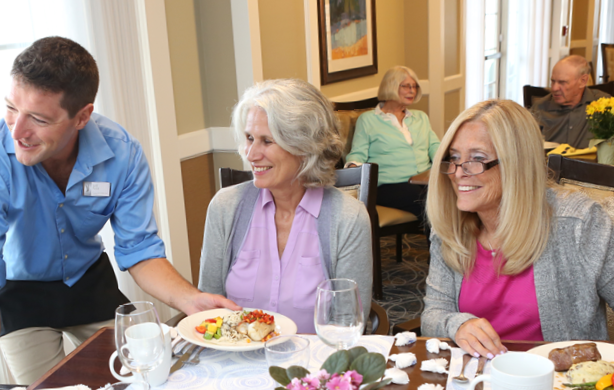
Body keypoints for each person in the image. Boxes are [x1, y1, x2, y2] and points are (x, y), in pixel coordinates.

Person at [0, 37, 234, 390]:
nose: (17, 131)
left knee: (147, 383)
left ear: (82, 116)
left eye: (38, 118)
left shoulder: (121, 153)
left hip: (88, 278)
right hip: (20, 293)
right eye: (10, 108)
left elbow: (140, 250)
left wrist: (191, 300)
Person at [422, 99, 614, 358]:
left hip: (558, 388)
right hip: (476, 385)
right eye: (454, 158)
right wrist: (458, 325)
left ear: (517, 164)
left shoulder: (579, 224)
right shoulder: (451, 227)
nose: (458, 173)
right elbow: (433, 313)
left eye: (477, 159)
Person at [198, 79, 373, 333]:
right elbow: (209, 311)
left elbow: (347, 325)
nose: (251, 154)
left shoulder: (347, 217)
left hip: (311, 368)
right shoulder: (225, 208)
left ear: (304, 147)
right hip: (237, 362)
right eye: (249, 138)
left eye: (267, 141)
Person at [346, 66, 440, 227]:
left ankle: (455, 249)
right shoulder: (368, 120)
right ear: (390, 86)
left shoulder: (421, 117)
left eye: (415, 86)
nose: (412, 91)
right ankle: (443, 251)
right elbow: (358, 153)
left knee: (450, 196)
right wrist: (353, 167)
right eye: (406, 86)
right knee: (432, 204)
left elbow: (435, 147)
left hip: (423, 181)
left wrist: (449, 161)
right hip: (388, 186)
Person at [530, 55, 611, 149]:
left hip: (589, 162)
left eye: (562, 82)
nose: (555, 88)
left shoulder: (604, 104)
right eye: (553, 81)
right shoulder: (540, 108)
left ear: (583, 81)